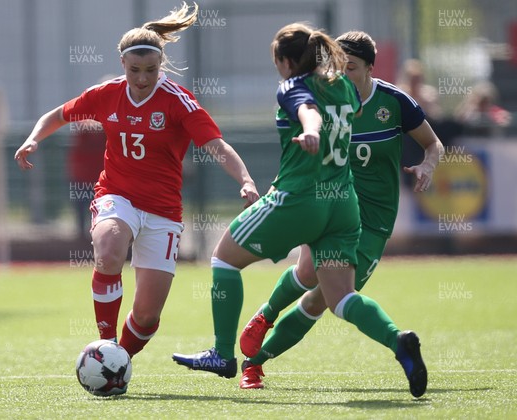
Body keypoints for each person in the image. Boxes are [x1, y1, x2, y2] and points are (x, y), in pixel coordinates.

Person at [173, 24, 425, 398]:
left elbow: (308, 111)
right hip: (343, 205)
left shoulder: (293, 86)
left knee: (223, 260)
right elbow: (347, 111)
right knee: (340, 298)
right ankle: (397, 341)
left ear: (285, 61)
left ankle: (222, 354)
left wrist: (310, 129)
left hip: (300, 197)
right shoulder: (343, 87)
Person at [14, 3, 259, 364]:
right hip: (117, 194)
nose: (142, 78)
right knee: (109, 248)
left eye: (150, 70)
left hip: (163, 210)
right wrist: (34, 138)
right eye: (135, 70)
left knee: (147, 316)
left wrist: (246, 179)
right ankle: (105, 345)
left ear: (160, 66)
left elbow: (215, 146)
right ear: (122, 65)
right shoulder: (106, 94)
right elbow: (58, 115)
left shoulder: (178, 101)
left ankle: (118, 361)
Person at [238, 30, 443, 398]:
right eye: (337, 65)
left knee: (320, 299)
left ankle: (255, 360)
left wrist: (428, 165)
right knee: (307, 275)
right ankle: (263, 325)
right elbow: (298, 153)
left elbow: (433, 144)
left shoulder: (394, 102)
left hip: (373, 220)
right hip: (329, 203)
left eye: (351, 67)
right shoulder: (323, 98)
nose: (343, 73)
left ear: (369, 69)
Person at [67, 75, 115, 239]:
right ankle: (81, 244)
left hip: (107, 178)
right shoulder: (90, 108)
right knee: (82, 217)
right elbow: (87, 124)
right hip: (83, 176)